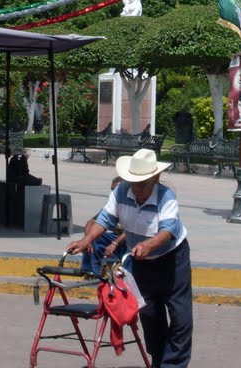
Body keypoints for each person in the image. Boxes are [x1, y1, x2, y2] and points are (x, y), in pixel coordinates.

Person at [66, 148, 193, 368]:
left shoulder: (166, 196)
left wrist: (148, 244)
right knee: (150, 315)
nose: (138, 190)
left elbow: (168, 230)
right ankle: (159, 360)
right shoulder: (121, 192)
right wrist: (86, 241)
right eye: (134, 183)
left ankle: (173, 365)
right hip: (142, 263)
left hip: (172, 260)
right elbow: (104, 219)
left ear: (155, 178)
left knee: (180, 318)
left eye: (142, 184)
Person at [80, 175, 128, 276]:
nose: (114, 192)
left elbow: (131, 231)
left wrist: (114, 243)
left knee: (98, 240)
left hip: (128, 239)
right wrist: (86, 240)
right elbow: (91, 222)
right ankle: (89, 272)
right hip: (116, 237)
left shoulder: (129, 204)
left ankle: (97, 273)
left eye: (116, 189)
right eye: (112, 189)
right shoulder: (113, 204)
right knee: (92, 238)